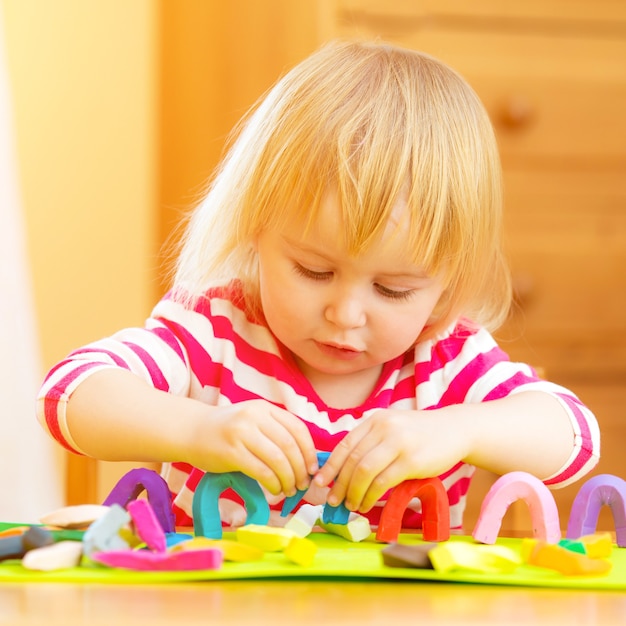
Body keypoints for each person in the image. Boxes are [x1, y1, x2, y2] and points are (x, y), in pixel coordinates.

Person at [37, 40, 599, 530]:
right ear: (257, 230)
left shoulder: (447, 359)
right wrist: (200, 430)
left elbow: (576, 438)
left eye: (394, 290)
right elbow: (70, 393)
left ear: (446, 283)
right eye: (314, 271)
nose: (346, 313)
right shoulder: (213, 331)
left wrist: (459, 431)